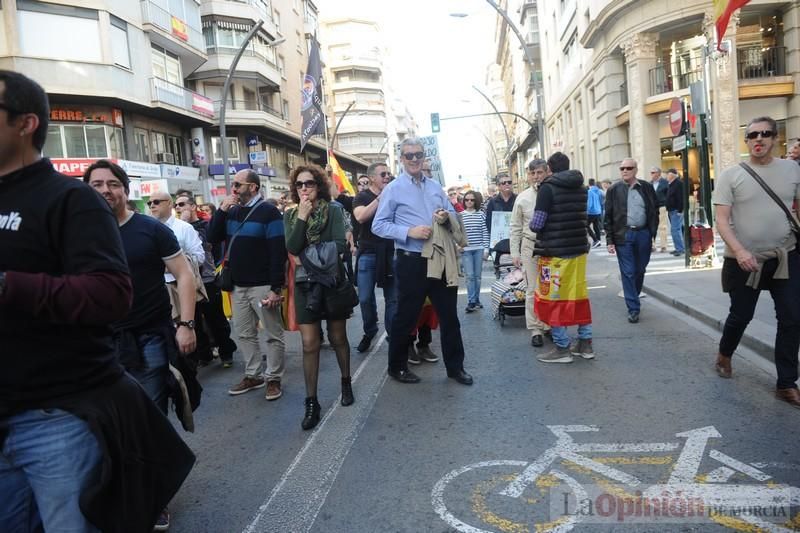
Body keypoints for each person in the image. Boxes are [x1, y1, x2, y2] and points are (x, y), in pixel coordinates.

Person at [0, 70, 194, 533]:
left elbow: (124, 289)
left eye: (113, 185)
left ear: (25, 123)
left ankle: (149, 491)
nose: (105, 191)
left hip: (58, 414)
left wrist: (185, 324)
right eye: (99, 183)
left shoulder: (73, 203)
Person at [712, 116, 800, 408]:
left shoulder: (792, 170)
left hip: (785, 257)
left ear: (775, 138)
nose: (758, 139)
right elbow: (722, 220)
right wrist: (739, 250)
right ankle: (725, 353)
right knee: (741, 315)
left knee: (791, 318)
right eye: (752, 136)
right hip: (743, 260)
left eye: (765, 134)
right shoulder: (730, 175)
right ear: (746, 140)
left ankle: (786, 383)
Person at [373, 137, 473, 385]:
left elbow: (451, 212)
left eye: (418, 155)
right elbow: (378, 225)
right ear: (402, 159)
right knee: (405, 317)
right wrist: (408, 232)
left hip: (439, 259)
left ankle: (455, 368)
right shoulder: (393, 189)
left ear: (424, 156)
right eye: (409, 156)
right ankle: (396, 367)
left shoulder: (435, 186)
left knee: (449, 316)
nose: (415, 159)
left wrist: (445, 216)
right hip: (411, 261)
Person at [284, 164, 354, 430]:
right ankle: (311, 402)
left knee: (337, 337)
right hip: (304, 286)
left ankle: (345, 382)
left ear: (319, 185)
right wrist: (302, 218)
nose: (304, 189)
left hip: (331, 282)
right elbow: (291, 246)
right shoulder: (291, 215)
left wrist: (308, 255)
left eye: (309, 183)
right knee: (309, 344)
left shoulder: (334, 210)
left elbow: (339, 244)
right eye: (299, 185)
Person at [208, 169, 287, 401]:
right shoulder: (231, 212)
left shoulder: (269, 212)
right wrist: (221, 211)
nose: (233, 189)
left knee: (273, 334)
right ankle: (253, 375)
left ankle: (273, 378)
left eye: (238, 185)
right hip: (237, 286)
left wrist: (276, 287)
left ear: (253, 187)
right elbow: (212, 237)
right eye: (233, 185)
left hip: (263, 285)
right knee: (244, 333)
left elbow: (277, 251)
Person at [529, 152, 593, 363]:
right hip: (578, 251)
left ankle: (562, 347)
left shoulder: (547, 188)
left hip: (554, 253)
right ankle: (585, 344)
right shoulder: (581, 188)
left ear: (550, 168)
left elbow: (537, 223)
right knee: (579, 297)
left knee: (553, 299)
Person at [175, 193, 238, 367]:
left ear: (193, 206)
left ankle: (226, 352)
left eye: (182, 204)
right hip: (185, 281)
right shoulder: (175, 227)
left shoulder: (204, 225)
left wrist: (186, 223)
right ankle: (204, 353)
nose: (179, 208)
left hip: (207, 279)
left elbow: (206, 243)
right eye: (176, 205)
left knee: (215, 318)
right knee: (192, 319)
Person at [604, 158, 658, 324]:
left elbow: (654, 209)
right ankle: (633, 308)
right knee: (628, 272)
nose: (624, 171)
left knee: (640, 269)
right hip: (624, 235)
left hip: (643, 234)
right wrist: (609, 240)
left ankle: (633, 294)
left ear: (635, 170)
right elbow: (608, 216)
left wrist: (652, 233)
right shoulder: (614, 189)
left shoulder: (646, 187)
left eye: (628, 168)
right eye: (622, 168)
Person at [352, 162, 397, 353]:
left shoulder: (395, 195)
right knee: (364, 298)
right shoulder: (362, 196)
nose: (387, 177)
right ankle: (370, 331)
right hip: (369, 253)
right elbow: (360, 217)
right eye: (383, 174)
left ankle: (393, 335)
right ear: (371, 178)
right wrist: (381, 198)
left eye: (388, 174)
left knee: (393, 299)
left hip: (391, 253)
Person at [509, 158, 552, 347]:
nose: (536, 177)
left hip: (551, 247)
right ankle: (535, 329)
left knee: (550, 289)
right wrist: (514, 252)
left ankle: (549, 325)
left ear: (547, 172)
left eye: (539, 172)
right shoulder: (523, 198)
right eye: (532, 173)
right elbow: (515, 227)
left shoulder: (554, 192)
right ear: (528, 176)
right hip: (530, 247)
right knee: (532, 289)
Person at [460, 190, 489, 312]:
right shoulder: (460, 215)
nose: (469, 202)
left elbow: (485, 232)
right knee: (470, 276)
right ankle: (471, 301)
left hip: (479, 249)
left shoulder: (481, 214)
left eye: (472, 200)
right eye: (467, 200)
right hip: (466, 250)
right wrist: (458, 245)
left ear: (475, 201)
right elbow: (457, 233)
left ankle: (476, 300)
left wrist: (486, 249)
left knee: (477, 277)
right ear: (464, 201)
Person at [485, 172, 517, 273]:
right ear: (498, 186)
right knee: (501, 272)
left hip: (516, 241)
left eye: (509, 182)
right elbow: (489, 222)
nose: (507, 184)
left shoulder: (518, 199)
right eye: (503, 183)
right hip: (499, 243)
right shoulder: (493, 202)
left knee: (518, 272)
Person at [665, 169, 685, 256]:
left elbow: (681, 198)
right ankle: (679, 247)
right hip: (671, 210)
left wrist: (680, 210)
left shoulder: (678, 184)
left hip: (676, 210)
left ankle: (680, 249)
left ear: (672, 175)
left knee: (675, 230)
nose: (666, 176)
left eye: (667, 174)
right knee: (677, 229)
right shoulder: (671, 184)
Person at [649, 167, 669, 253]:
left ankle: (663, 246)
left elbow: (668, 195)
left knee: (662, 226)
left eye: (653, 172)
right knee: (651, 227)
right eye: (651, 173)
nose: (652, 174)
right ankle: (652, 245)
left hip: (662, 206)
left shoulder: (665, 183)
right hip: (652, 208)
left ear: (658, 173)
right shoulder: (649, 184)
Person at [586, 178, 604, 248]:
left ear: (589, 184)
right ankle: (598, 241)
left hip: (591, 212)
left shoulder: (589, 191)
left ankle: (595, 240)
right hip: (598, 211)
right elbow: (601, 200)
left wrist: (587, 210)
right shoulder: (599, 191)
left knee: (586, 225)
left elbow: (589, 203)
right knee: (596, 226)